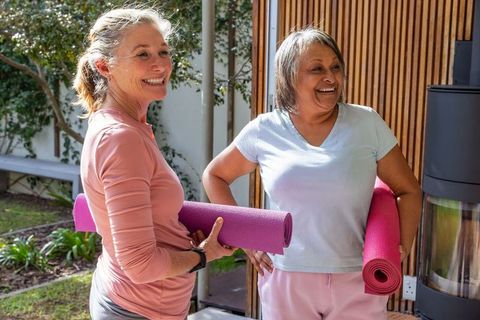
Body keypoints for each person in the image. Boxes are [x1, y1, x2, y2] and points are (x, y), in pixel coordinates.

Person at [203, 28, 422, 320]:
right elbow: (215, 176)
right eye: (316, 69)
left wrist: (399, 247)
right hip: (285, 278)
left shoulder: (366, 123)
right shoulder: (264, 129)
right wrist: (247, 240)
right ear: (290, 76)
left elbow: (408, 190)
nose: (330, 77)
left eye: (335, 67)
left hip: (358, 279)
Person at [73, 8, 233, 320]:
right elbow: (140, 265)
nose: (160, 63)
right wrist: (202, 256)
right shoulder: (121, 138)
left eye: (163, 51)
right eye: (142, 54)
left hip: (140, 304)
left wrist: (180, 236)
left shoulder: (127, 126)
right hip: (136, 310)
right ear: (105, 66)